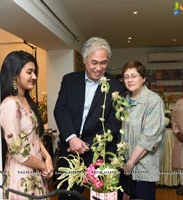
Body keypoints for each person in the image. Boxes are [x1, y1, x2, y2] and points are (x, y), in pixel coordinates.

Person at [54, 37, 124, 200]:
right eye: (94, 62)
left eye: (103, 63)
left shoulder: (115, 87)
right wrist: (72, 138)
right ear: (84, 60)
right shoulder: (69, 80)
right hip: (70, 151)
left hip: (100, 153)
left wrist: (87, 144)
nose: (99, 68)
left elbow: (113, 123)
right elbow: (60, 109)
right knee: (68, 196)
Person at [0, 50, 53, 200]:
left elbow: (35, 136)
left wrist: (47, 157)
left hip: (36, 170)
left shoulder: (26, 101)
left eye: (34, 72)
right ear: (14, 74)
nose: (34, 77)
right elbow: (16, 150)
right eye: (29, 72)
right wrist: (43, 166)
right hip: (21, 176)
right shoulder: (10, 104)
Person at [121, 60, 165, 200]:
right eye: (126, 76)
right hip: (124, 165)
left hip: (142, 166)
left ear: (143, 78)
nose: (129, 80)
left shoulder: (153, 101)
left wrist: (131, 162)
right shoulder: (124, 100)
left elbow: (149, 137)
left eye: (134, 76)